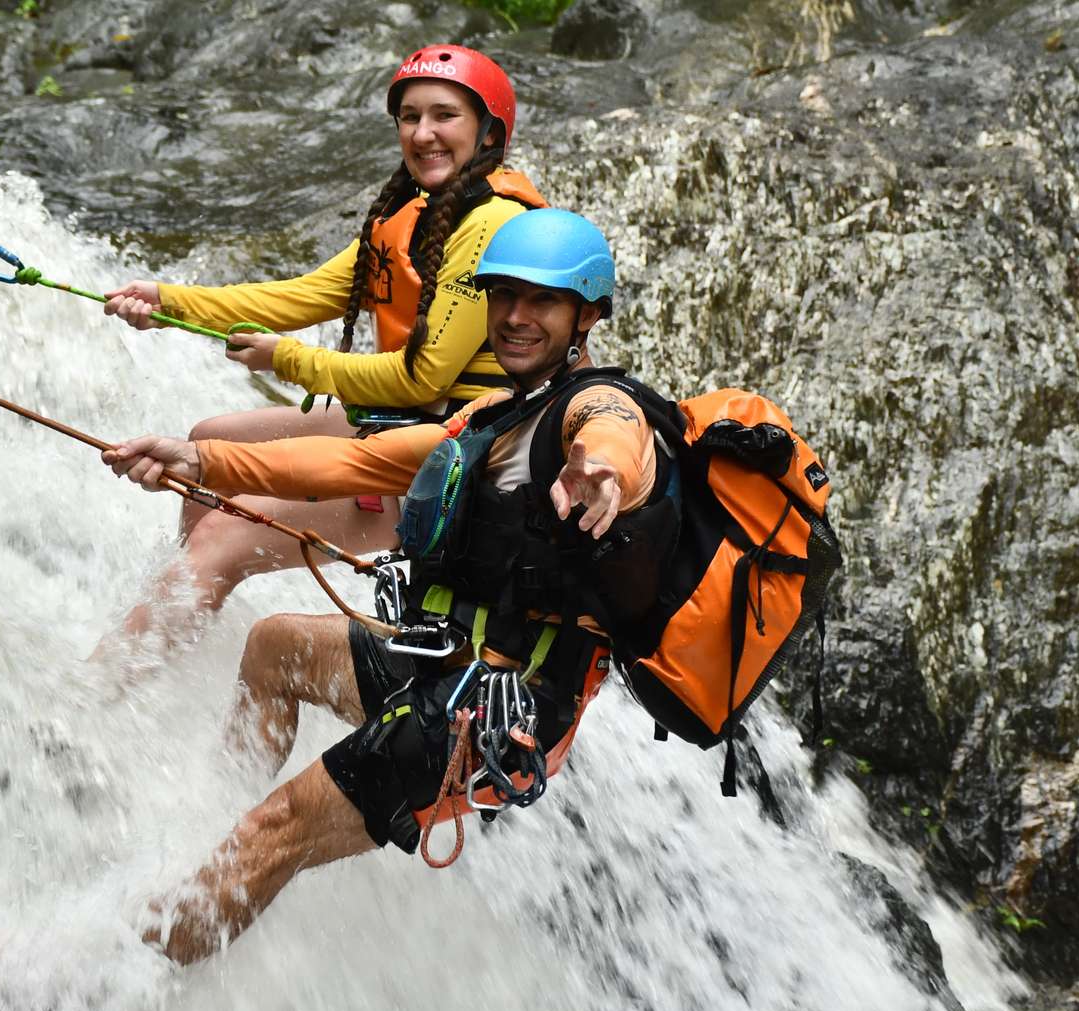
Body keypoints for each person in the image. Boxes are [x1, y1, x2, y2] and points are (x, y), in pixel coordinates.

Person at [101, 209, 664, 964]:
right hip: (444, 664)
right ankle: (204, 828)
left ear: (587, 315)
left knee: (275, 832)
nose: (516, 317)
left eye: (544, 301)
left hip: (495, 715)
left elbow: (614, 433)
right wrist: (201, 461)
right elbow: (353, 464)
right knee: (273, 648)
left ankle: (106, 978)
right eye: (504, 296)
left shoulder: (596, 410)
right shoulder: (495, 415)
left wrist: (601, 469)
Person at [96, 45, 549, 648]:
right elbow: (301, 296)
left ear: (489, 132)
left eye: (445, 116)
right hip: (409, 420)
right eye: (409, 117)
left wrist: (287, 360)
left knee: (219, 535)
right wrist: (169, 302)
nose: (423, 134)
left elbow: (424, 378)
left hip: (462, 456)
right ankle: (181, 626)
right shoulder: (414, 214)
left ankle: (105, 684)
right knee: (210, 436)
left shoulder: (492, 223)